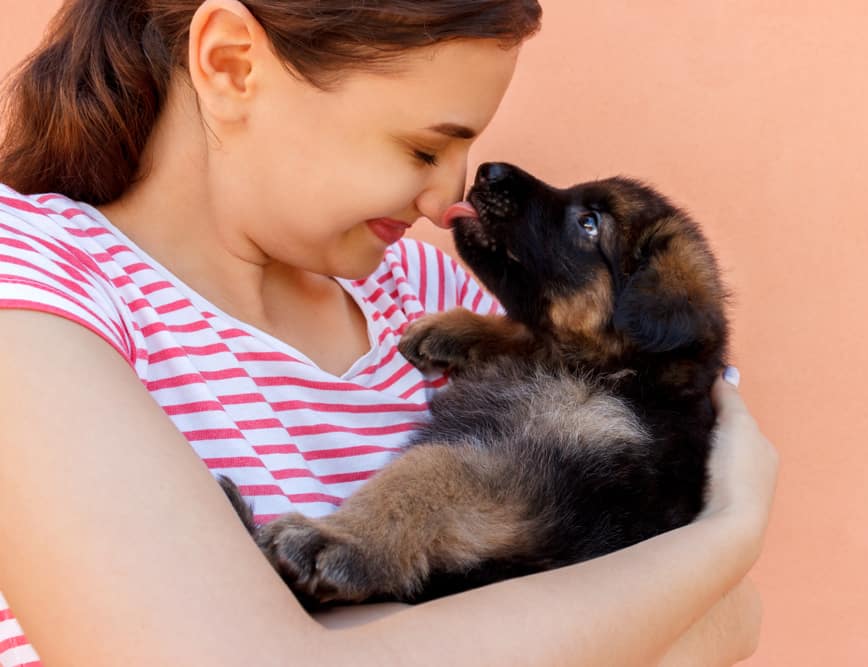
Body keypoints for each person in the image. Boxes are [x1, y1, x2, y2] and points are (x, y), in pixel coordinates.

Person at [0, 1, 779, 665]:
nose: (450, 198)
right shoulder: (32, 275)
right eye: (422, 148)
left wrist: (331, 639)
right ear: (233, 64)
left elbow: (728, 619)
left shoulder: (436, 301)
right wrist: (723, 538)